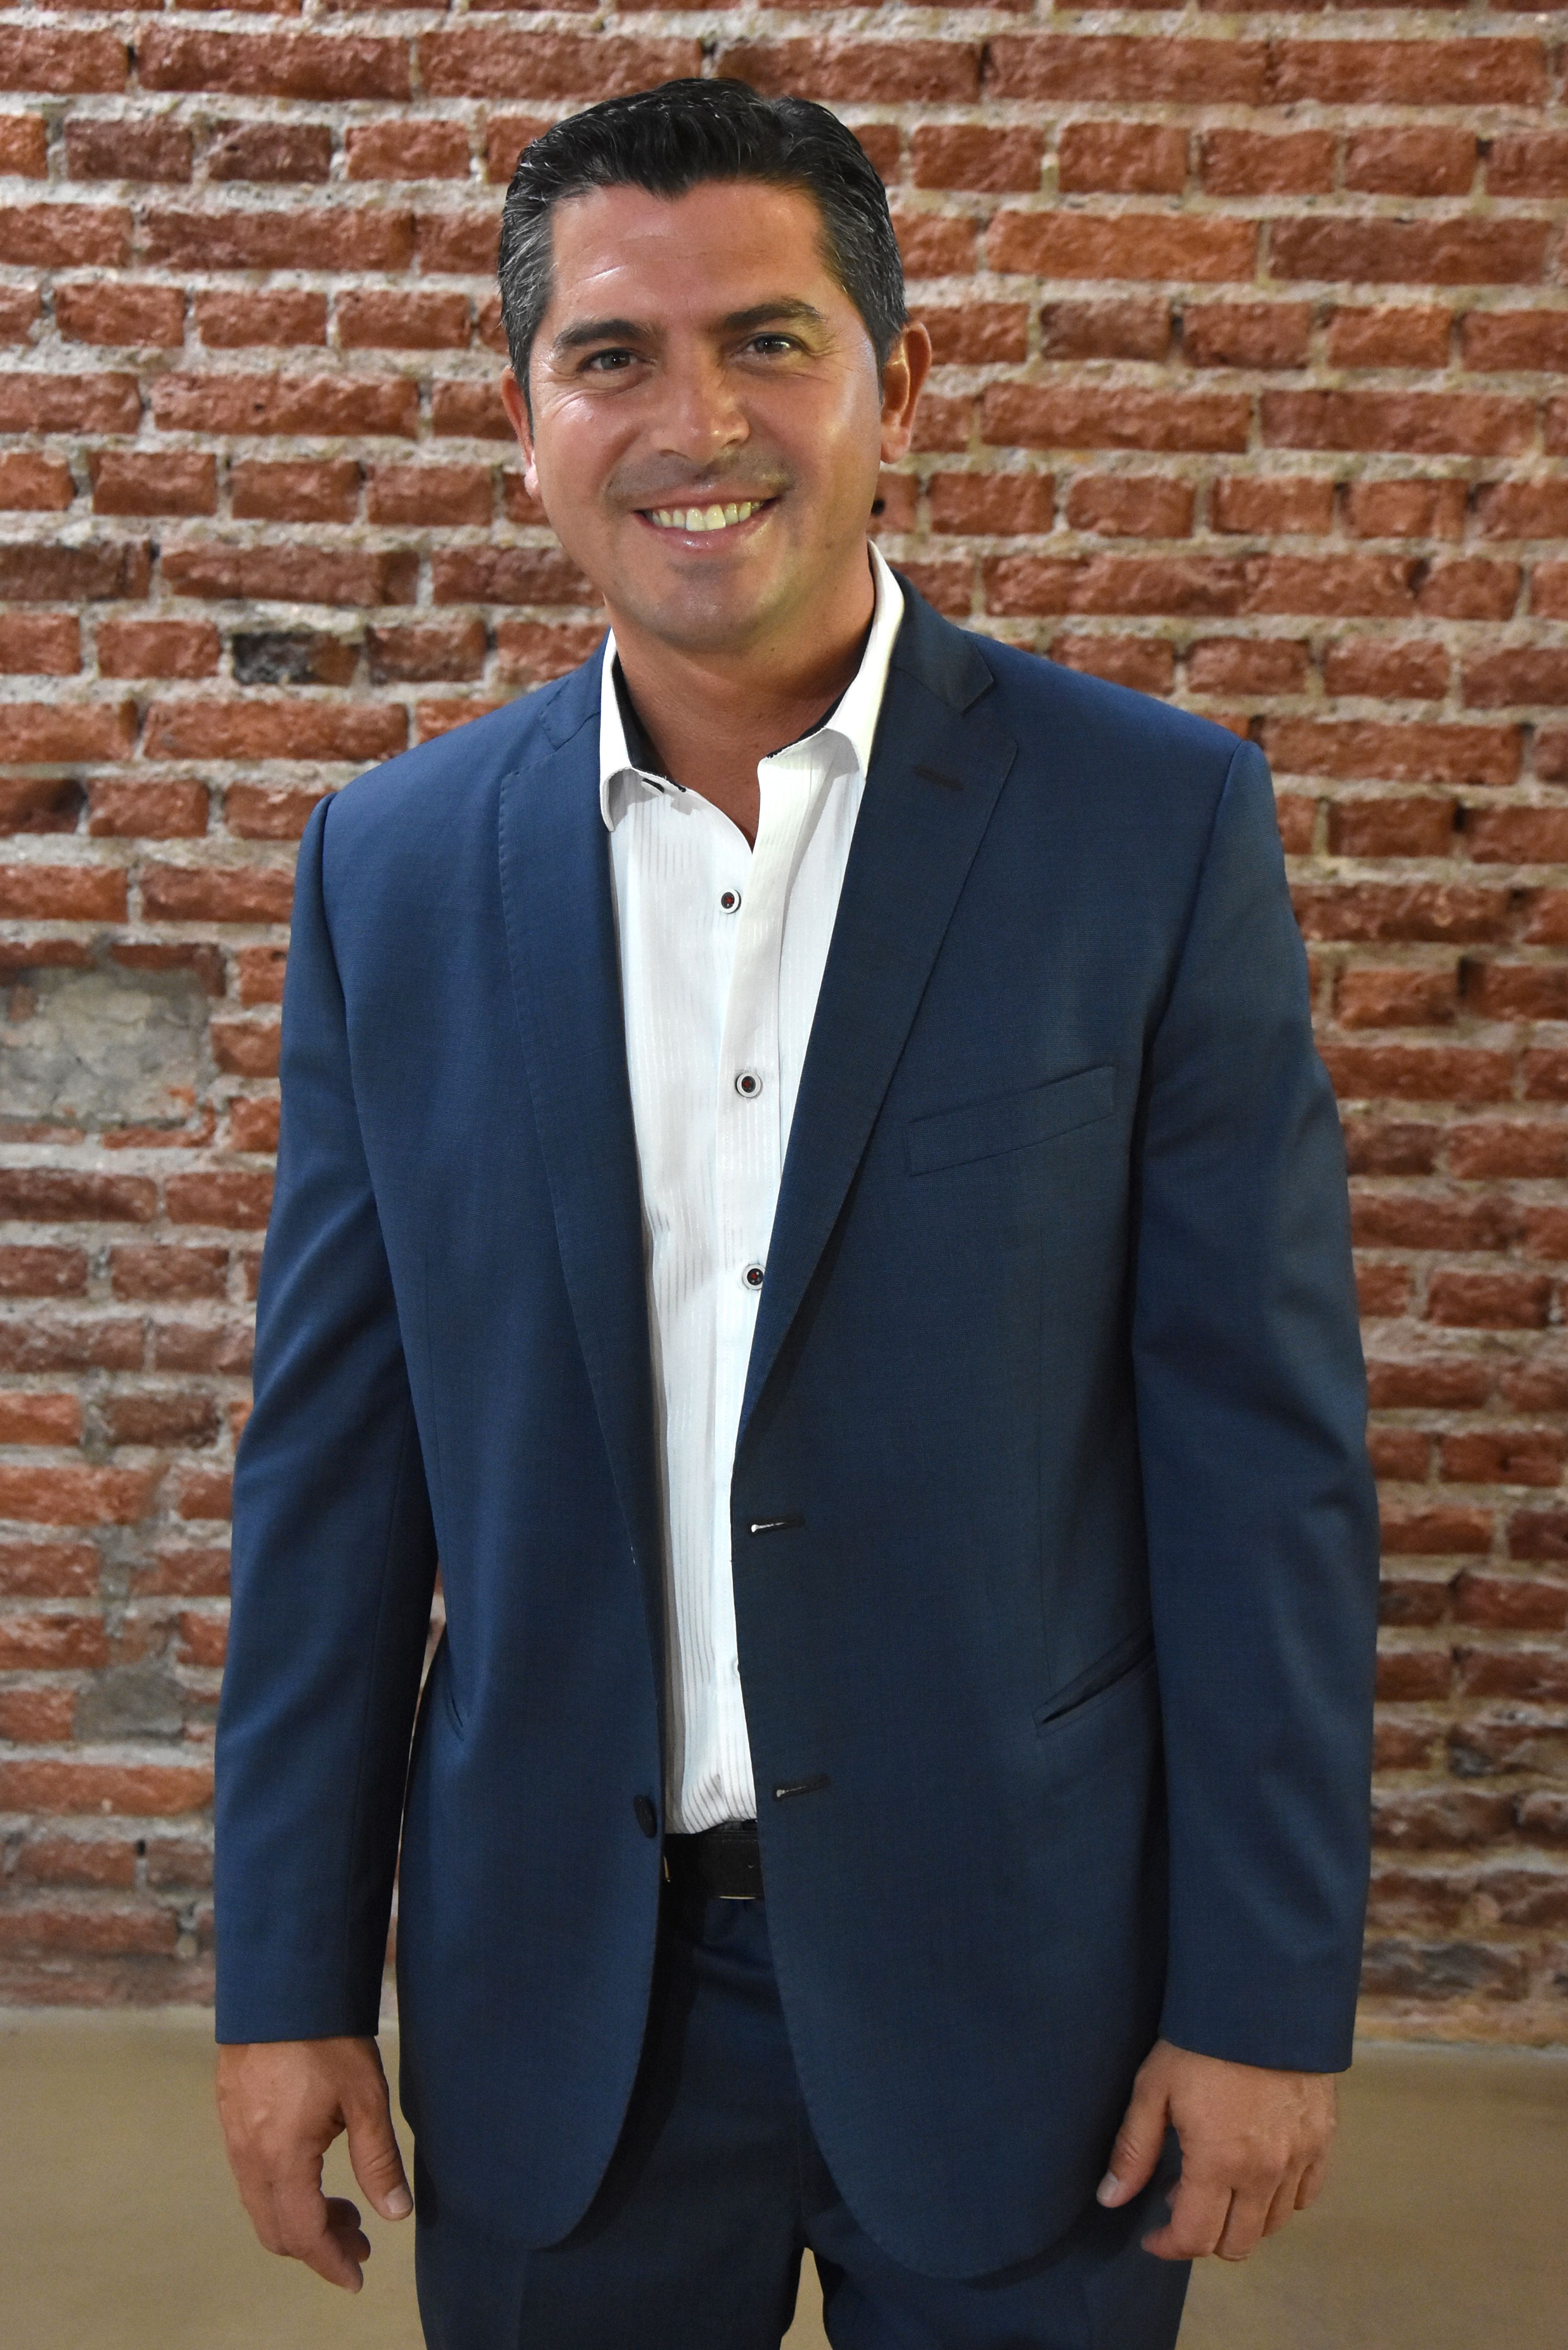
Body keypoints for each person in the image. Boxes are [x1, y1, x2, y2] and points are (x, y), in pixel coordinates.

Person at [213, 78, 1380, 2350]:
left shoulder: (1148, 828)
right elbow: (333, 1477)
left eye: (768, 340)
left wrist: (1265, 1992)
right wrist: (285, 1975)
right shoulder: (394, 872)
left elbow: (1263, 1469)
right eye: (613, 356)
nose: (696, 424)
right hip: (558, 2001)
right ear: (526, 420)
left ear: (896, 384)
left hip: (1029, 1989)